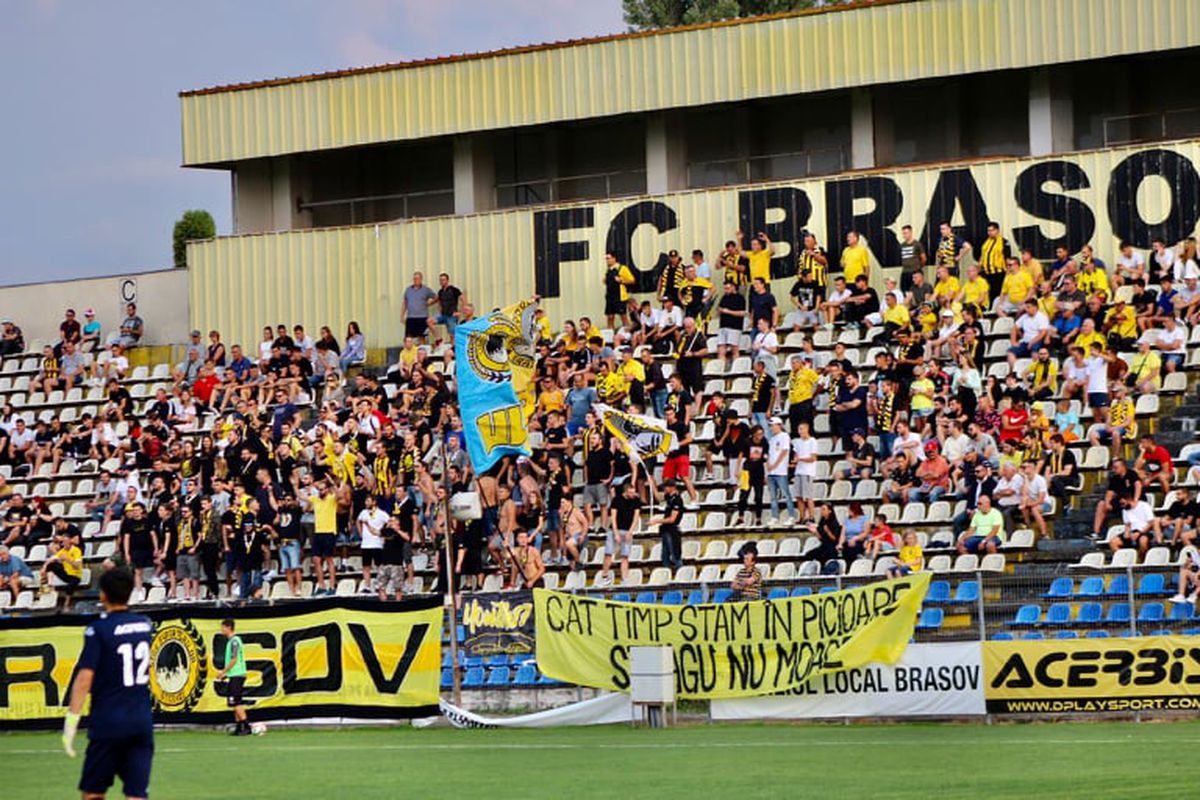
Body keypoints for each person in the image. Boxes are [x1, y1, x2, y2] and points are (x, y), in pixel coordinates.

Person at [62, 569, 155, 799]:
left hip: (109, 721)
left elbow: (84, 679)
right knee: (136, 794)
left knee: (93, 792)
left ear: (102, 595)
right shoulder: (144, 625)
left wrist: (71, 721)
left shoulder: (98, 629)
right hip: (141, 721)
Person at [598, 480, 641, 587]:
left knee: (625, 556)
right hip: (615, 529)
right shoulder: (617, 500)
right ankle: (605, 576)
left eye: (633, 492)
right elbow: (613, 517)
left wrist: (630, 532)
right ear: (626, 492)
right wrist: (616, 532)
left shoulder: (636, 500)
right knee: (608, 553)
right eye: (630, 492)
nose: (632, 494)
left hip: (627, 530)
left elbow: (636, 517)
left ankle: (624, 579)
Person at [214, 618, 252, 736]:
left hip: (237, 674)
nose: (222, 630)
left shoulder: (235, 641)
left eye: (223, 627)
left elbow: (234, 659)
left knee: (236, 702)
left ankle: (246, 726)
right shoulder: (231, 641)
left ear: (228, 627)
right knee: (234, 702)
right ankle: (239, 727)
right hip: (234, 675)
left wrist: (223, 672)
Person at [649, 479, 685, 570]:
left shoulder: (677, 500)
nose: (664, 489)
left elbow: (672, 519)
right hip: (666, 530)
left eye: (666, 487)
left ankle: (680, 573)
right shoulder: (669, 497)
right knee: (665, 555)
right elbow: (658, 497)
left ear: (672, 487)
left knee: (675, 554)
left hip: (672, 531)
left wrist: (657, 521)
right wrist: (652, 484)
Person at [401, 271, 437, 341]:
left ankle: (422, 350)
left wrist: (430, 303)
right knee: (408, 337)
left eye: (418, 278)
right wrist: (402, 316)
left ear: (421, 279)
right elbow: (405, 303)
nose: (416, 280)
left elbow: (436, 297)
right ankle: (410, 351)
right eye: (414, 279)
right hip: (411, 317)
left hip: (422, 317)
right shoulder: (408, 290)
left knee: (422, 337)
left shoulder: (426, 290)